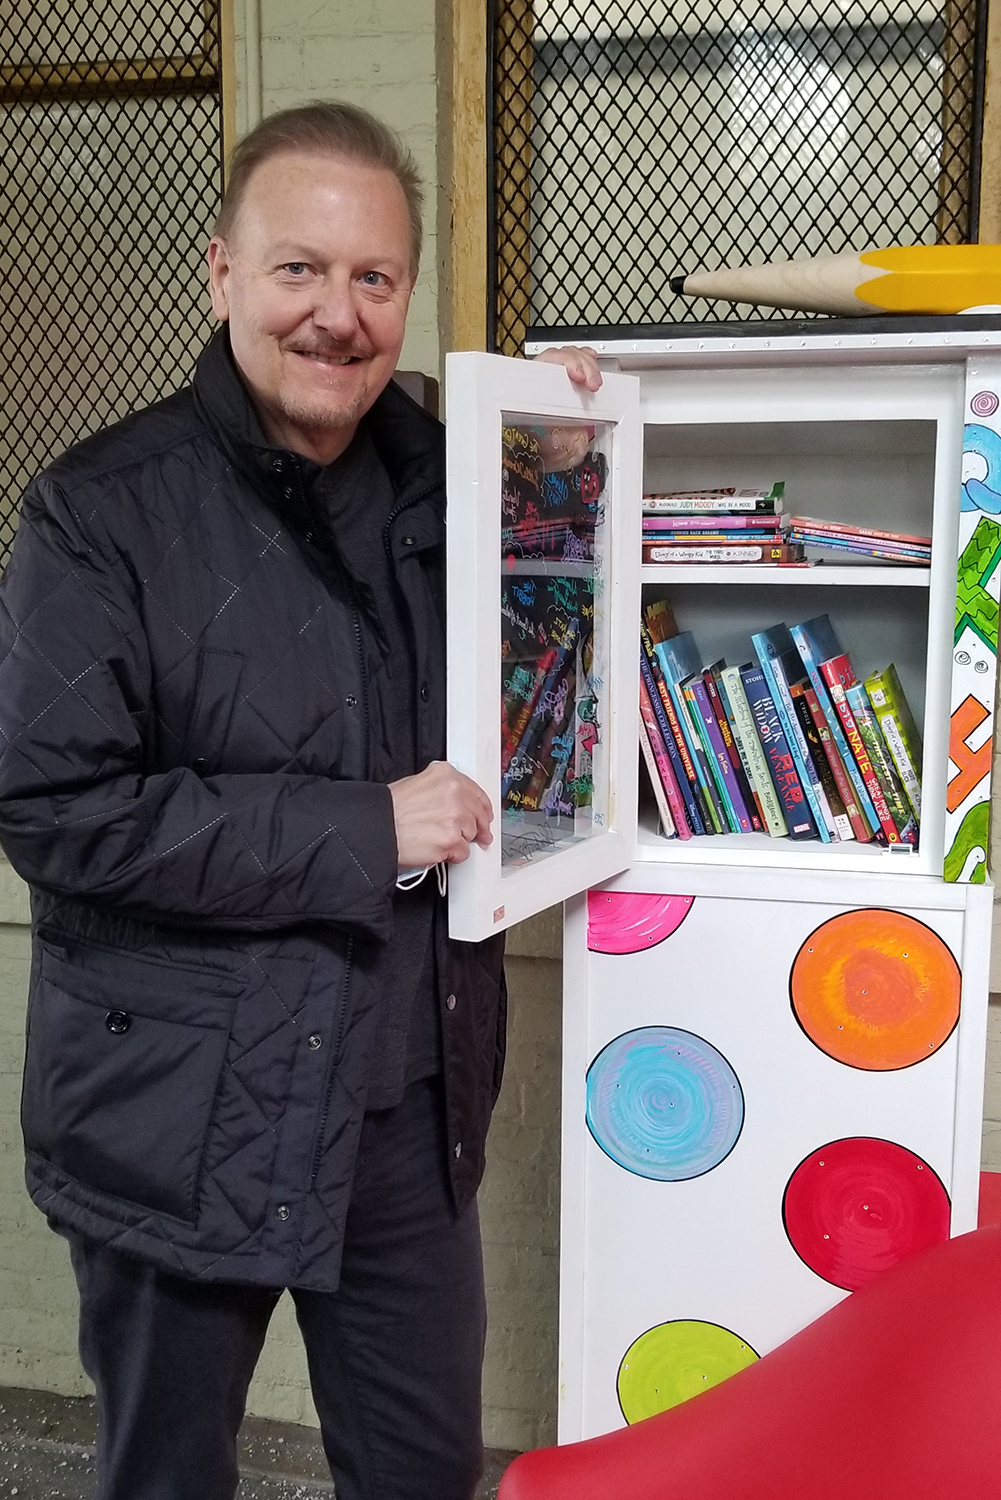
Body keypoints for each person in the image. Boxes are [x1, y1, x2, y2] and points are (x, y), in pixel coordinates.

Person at [0, 102, 599, 1500]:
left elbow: (553, 679)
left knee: (418, 1472)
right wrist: (358, 830)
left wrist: (567, 452)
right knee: (166, 1474)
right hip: (178, 1112)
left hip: (407, 1107)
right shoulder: (98, 511)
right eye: (297, 271)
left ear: (404, 295)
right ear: (220, 275)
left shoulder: (466, 481)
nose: (337, 314)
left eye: (373, 278)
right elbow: (54, 809)